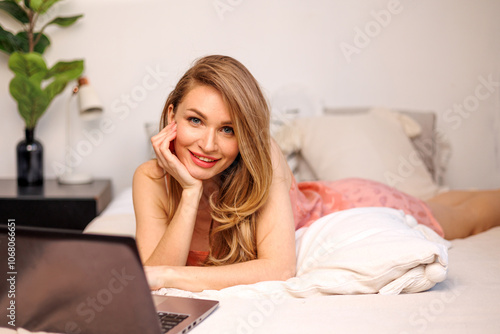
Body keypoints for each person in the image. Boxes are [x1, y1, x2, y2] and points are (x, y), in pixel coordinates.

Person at [133, 55, 500, 292]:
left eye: (228, 129)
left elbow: (279, 270)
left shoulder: (265, 157)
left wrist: (168, 276)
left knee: (463, 216)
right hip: (315, 193)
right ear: (171, 116)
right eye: (196, 121)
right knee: (445, 202)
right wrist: (191, 192)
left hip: (343, 205)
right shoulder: (150, 180)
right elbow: (153, 277)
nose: (208, 144)